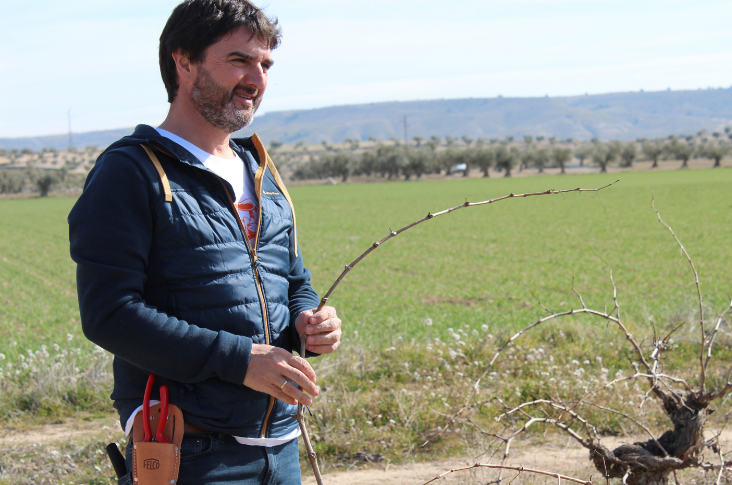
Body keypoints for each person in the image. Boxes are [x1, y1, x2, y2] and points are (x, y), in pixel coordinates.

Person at [67, 1, 342, 483]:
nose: (256, 78)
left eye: (265, 64)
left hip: (282, 448)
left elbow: (293, 279)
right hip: (190, 452)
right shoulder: (131, 172)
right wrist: (239, 360)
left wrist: (310, 322)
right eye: (238, 60)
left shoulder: (261, 171)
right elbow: (109, 314)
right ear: (184, 61)